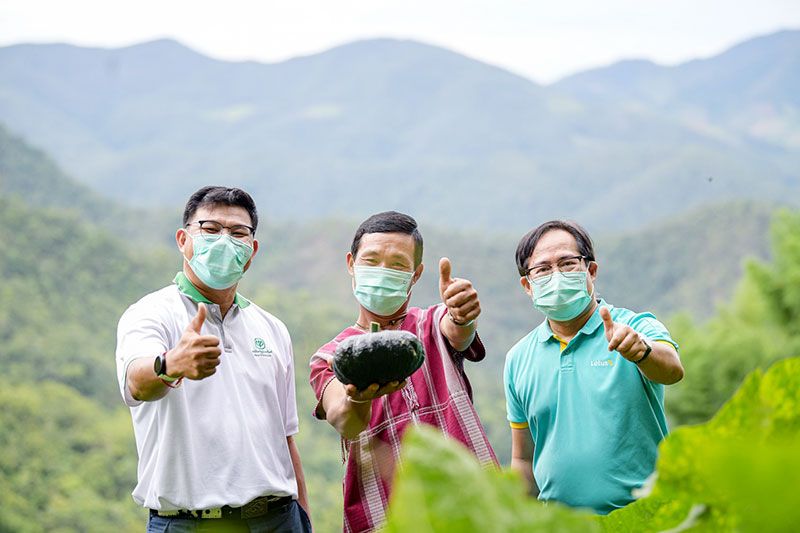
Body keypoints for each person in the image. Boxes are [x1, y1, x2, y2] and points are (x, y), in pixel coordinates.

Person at [115, 186, 311, 532]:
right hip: (187, 523)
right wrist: (171, 364)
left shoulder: (272, 328)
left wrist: (304, 519)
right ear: (183, 239)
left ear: (251, 252)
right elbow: (137, 382)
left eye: (238, 233)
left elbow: (285, 438)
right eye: (210, 229)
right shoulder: (151, 314)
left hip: (278, 518)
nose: (224, 240)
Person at [309, 211, 497, 532]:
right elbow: (345, 420)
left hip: (469, 511)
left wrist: (463, 314)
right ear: (351, 264)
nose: (383, 271)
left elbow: (457, 331)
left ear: (416, 273)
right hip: (384, 516)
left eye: (398, 265)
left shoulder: (431, 323)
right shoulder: (330, 357)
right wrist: (358, 400)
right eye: (371, 260)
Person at [504, 220, 684, 515]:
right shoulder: (518, 358)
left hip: (644, 519)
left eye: (567, 263)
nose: (557, 275)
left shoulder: (634, 327)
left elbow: (672, 369)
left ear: (591, 271)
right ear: (527, 285)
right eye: (543, 269)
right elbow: (523, 458)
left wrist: (642, 352)